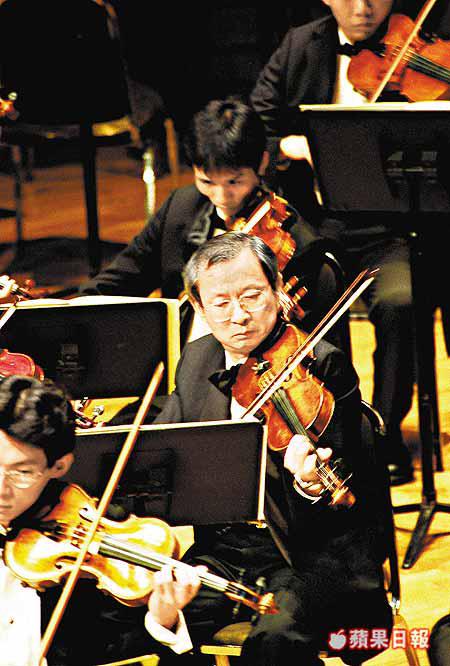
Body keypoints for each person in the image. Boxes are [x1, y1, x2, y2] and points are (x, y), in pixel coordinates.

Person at [145, 231, 393, 665]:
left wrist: (309, 482)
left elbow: (352, 480)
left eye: (252, 296)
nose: (239, 316)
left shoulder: (322, 362)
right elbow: (165, 444)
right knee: (156, 617)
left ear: (278, 290)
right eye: (221, 303)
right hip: (224, 553)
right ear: (199, 307)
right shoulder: (197, 358)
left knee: (276, 638)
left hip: (307, 553)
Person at [250, 0, 450, 485]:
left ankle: (382, 431)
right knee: (303, 304)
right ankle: (328, 429)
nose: (362, 8)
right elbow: (255, 124)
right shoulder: (301, 45)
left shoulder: (421, 49)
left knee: (401, 303)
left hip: (392, 227)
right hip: (316, 225)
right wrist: (292, 145)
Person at [77, 97, 346, 351]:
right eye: (206, 182)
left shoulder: (295, 242)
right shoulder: (181, 207)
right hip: (180, 366)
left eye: (234, 182)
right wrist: (67, 312)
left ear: (263, 162)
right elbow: (125, 277)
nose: (221, 197)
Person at [0, 373, 202, 665]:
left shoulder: (90, 534)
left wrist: (161, 618)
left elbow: (106, 645)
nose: (1, 488)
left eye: (22, 472)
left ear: (59, 466)